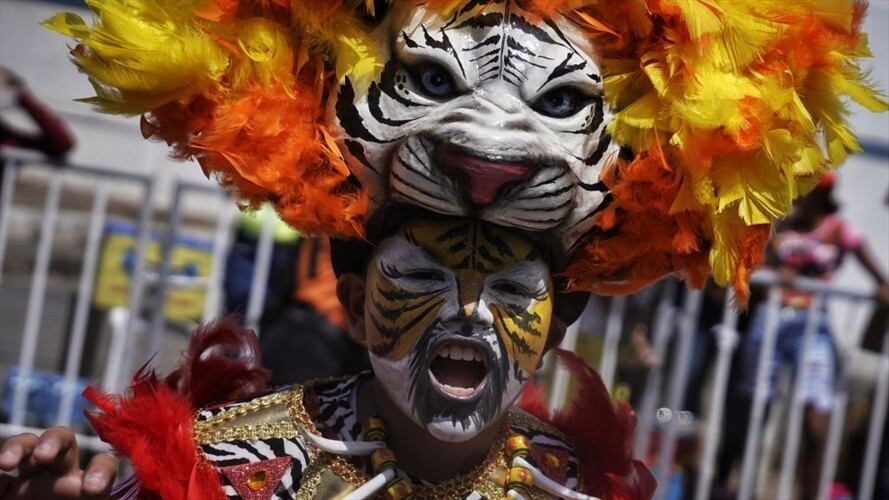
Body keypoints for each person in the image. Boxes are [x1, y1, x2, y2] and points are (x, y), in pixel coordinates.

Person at [3, 0, 886, 498]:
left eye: (510, 291)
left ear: (556, 324)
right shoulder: (223, 471)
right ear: (350, 302)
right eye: (420, 279)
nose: (468, 312)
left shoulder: (582, 487)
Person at [736, 174, 889, 499]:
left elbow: (878, 277)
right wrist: (777, 274)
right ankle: (740, 485)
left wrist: (882, 289)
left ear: (820, 194)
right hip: (771, 321)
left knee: (816, 422)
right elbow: (752, 271)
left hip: (813, 326)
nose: (798, 197)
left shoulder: (840, 230)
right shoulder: (782, 225)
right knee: (754, 410)